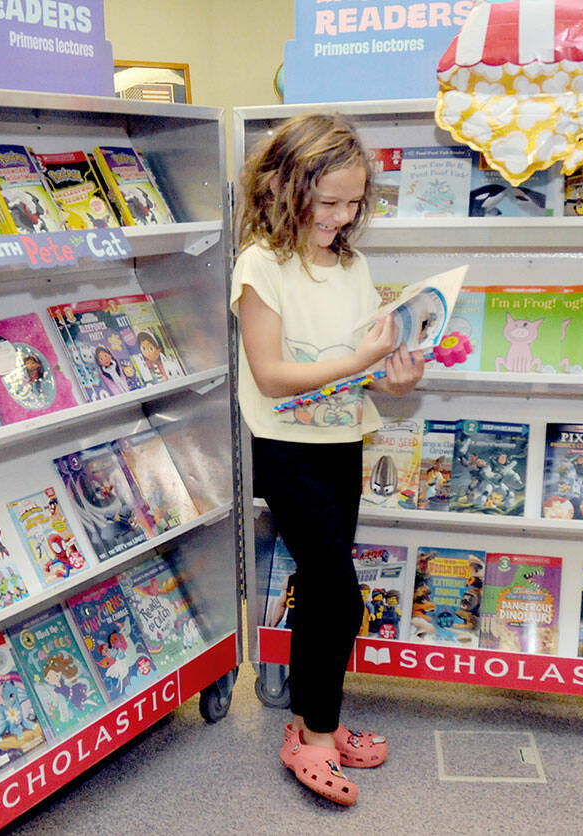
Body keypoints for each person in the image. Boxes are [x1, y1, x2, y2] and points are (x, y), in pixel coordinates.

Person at [231, 112, 425, 806]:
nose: (342, 217)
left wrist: (390, 374)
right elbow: (272, 373)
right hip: (287, 447)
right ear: (286, 187)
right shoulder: (260, 264)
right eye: (329, 201)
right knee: (338, 592)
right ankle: (312, 740)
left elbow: (354, 369)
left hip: (343, 440)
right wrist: (361, 359)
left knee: (320, 590)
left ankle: (320, 718)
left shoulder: (352, 264)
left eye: (353, 204)